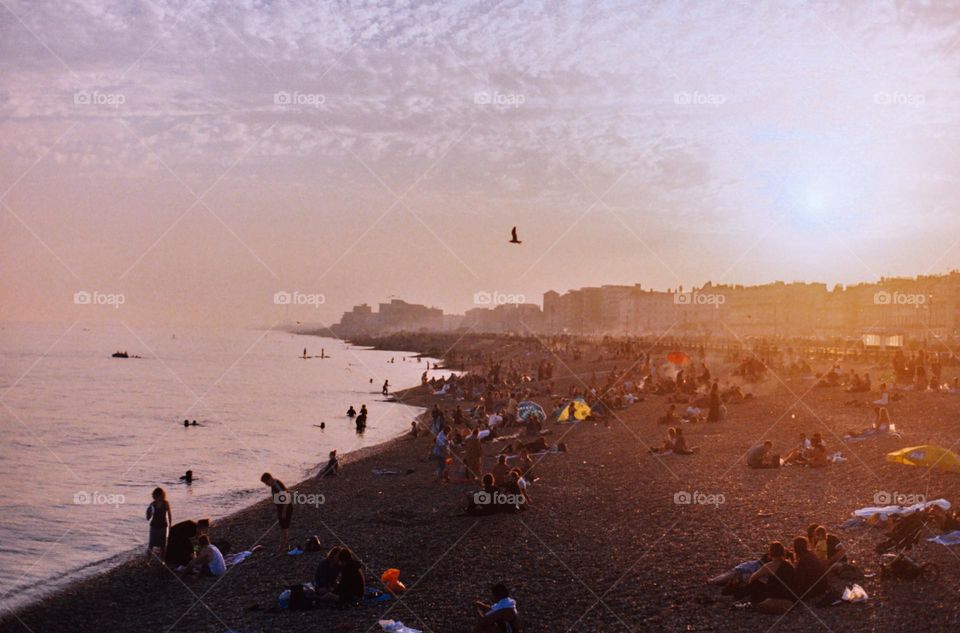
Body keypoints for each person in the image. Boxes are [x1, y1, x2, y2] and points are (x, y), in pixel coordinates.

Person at [747, 541, 796, 612]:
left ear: (770, 553)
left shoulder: (770, 565)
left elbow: (752, 578)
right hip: (789, 595)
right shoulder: (789, 564)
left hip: (776, 595)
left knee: (755, 583)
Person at [261, 472, 293, 552]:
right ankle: (285, 546)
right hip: (281, 508)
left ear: (269, 479)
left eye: (266, 482)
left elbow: (286, 498)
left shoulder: (276, 485)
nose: (266, 484)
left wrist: (283, 512)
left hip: (286, 508)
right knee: (283, 528)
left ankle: (282, 548)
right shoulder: (274, 485)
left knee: (284, 528)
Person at [145, 487, 172, 562]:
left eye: (159, 495)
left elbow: (169, 514)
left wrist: (170, 525)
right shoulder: (152, 504)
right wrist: (148, 512)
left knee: (162, 545)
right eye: (156, 496)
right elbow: (148, 517)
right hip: (154, 526)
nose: (157, 497)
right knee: (151, 544)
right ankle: (148, 560)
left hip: (163, 526)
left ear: (162, 495)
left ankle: (162, 561)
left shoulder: (165, 503)